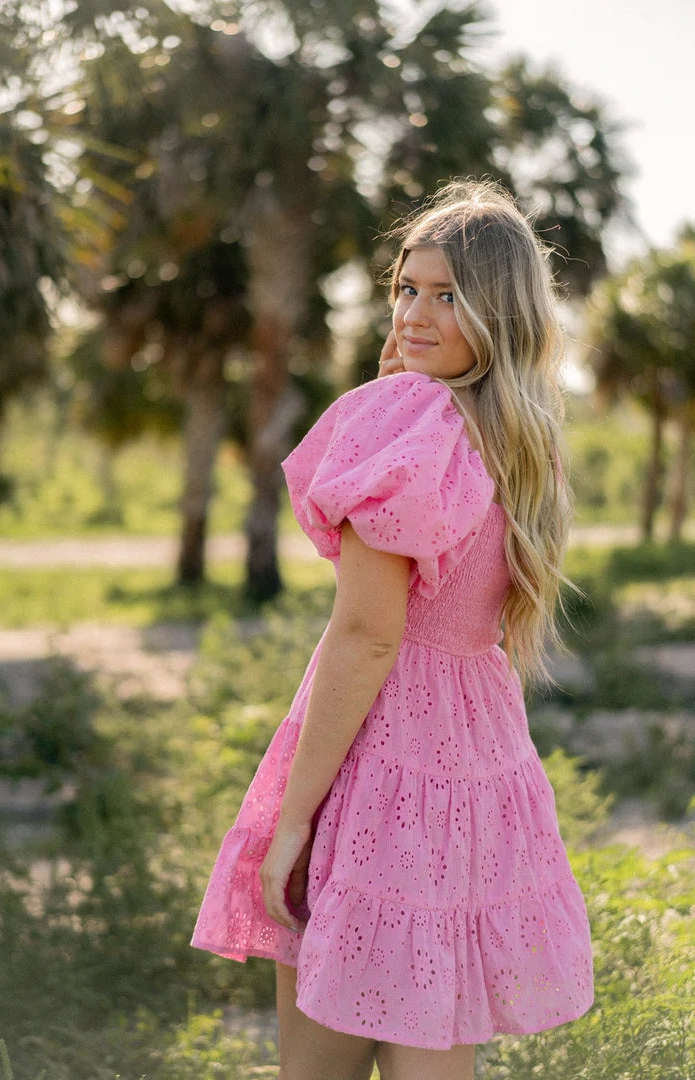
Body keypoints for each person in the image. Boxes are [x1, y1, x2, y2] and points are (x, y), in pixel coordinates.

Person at [191, 178, 594, 1080]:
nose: (415, 313)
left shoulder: (405, 420)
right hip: (475, 763)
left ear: (499, 309)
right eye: (408, 288)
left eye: (448, 295)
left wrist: (292, 824)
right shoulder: (520, 434)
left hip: (383, 763)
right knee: (432, 1047)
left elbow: (370, 636)